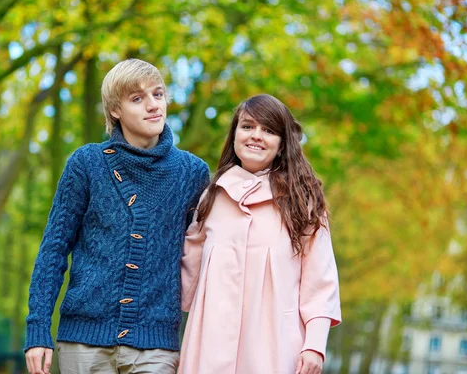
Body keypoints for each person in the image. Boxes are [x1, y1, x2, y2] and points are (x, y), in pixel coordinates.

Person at [24, 59, 210, 374]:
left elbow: (207, 256)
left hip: (156, 346)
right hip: (84, 343)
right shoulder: (86, 164)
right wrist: (38, 329)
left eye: (158, 94)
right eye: (137, 99)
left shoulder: (192, 173)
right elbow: (54, 248)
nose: (153, 106)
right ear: (115, 111)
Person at [179, 94, 341, 374]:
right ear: (234, 135)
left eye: (268, 130)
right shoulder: (211, 198)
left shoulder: (303, 203)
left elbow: (320, 282)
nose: (256, 136)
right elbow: (184, 276)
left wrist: (314, 345)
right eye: (247, 126)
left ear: (281, 145)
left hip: (276, 349)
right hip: (208, 348)